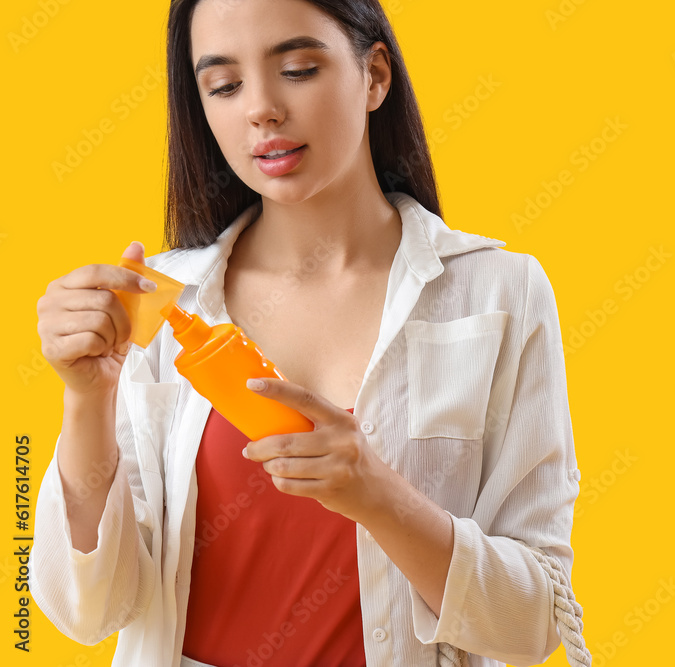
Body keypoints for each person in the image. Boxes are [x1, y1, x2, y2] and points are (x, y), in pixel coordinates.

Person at [31, 1, 591, 666]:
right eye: (225, 85)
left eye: (296, 69)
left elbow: (535, 622)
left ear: (375, 74)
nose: (261, 108)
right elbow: (88, 610)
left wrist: (378, 495)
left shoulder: (499, 295)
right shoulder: (156, 304)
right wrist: (86, 398)